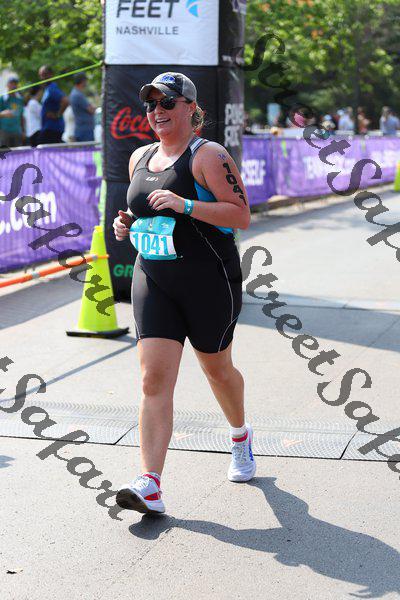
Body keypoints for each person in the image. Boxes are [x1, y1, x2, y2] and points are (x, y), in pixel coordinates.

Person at [113, 72, 254, 515]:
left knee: (218, 370)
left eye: (167, 103)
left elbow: (241, 215)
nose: (157, 111)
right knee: (152, 380)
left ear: (191, 109)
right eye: (151, 104)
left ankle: (240, 435)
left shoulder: (207, 155)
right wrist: (127, 224)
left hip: (208, 280)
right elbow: (141, 212)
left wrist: (187, 205)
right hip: (154, 278)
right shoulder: (139, 156)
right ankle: (150, 483)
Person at [38, 65, 69, 144]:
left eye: (45, 74)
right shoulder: (47, 89)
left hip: (52, 129)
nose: (42, 77)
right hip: (49, 128)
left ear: (51, 75)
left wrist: (57, 114)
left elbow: (65, 101)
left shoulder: (52, 89)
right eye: (41, 75)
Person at [69, 73, 95, 142]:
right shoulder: (77, 95)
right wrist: (93, 107)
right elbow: (91, 110)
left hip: (83, 129)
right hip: (84, 131)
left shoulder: (76, 93)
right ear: (83, 81)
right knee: (88, 148)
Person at [0, 76, 25, 148]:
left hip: (17, 131)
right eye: (11, 83)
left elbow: (21, 116)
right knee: (4, 153)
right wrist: (3, 114)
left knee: (18, 153)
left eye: (15, 84)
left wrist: (23, 131)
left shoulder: (20, 99)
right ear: (7, 85)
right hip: (4, 131)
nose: (13, 85)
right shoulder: (2, 98)